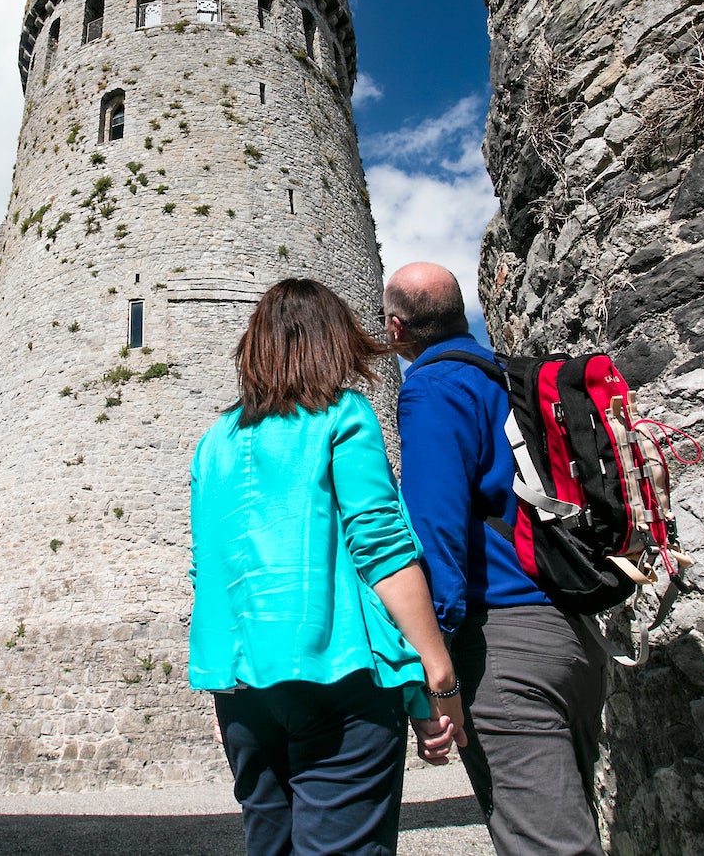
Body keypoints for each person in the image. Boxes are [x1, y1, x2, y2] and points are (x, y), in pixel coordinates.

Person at [190, 277, 468, 856]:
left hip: (242, 687)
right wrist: (436, 672)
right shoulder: (344, 415)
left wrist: (225, 689)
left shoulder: (213, 442)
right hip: (337, 676)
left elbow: (208, 573)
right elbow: (382, 545)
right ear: (331, 341)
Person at [381, 262, 609, 856]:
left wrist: (439, 660)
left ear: (396, 328)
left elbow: (434, 525)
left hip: (506, 646)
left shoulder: (433, 387)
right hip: (574, 636)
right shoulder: (509, 379)